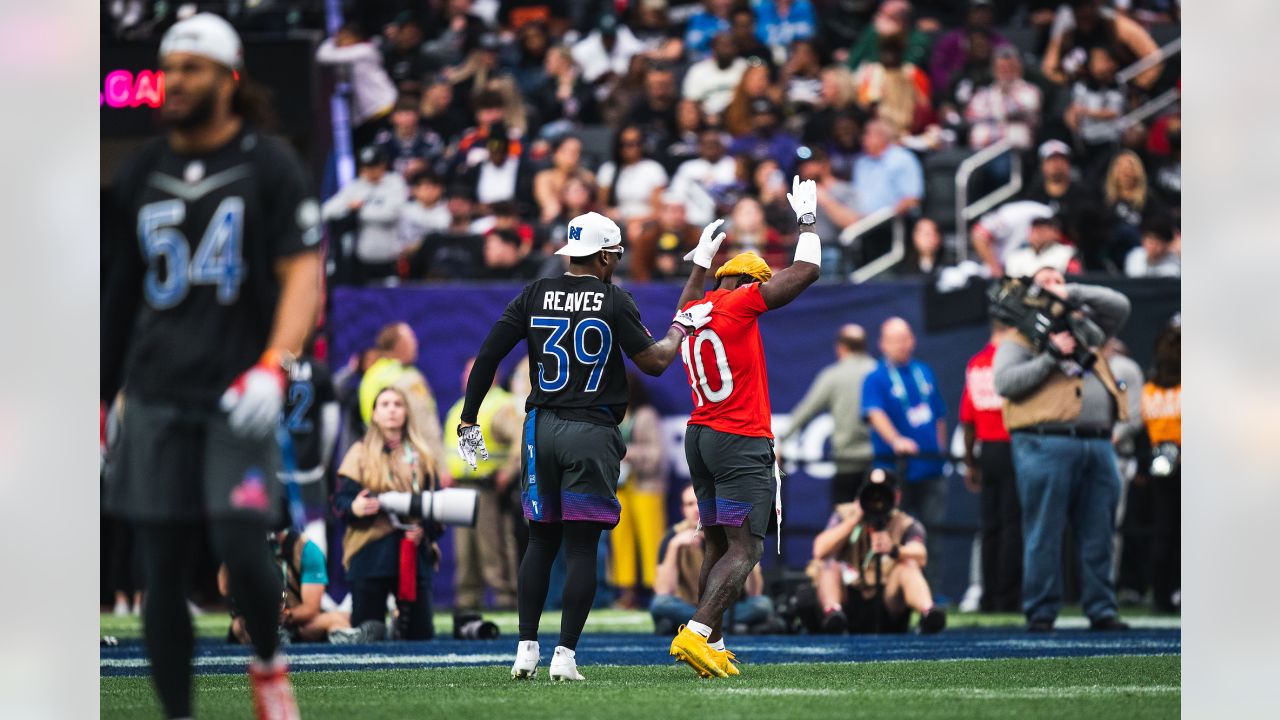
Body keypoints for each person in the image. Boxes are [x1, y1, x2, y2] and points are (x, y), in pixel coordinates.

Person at [101, 14, 321, 719]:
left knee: (240, 537)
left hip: (236, 390)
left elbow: (302, 274)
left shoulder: (268, 165)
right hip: (159, 389)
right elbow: (118, 293)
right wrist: (100, 398)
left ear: (229, 77)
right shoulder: (142, 169)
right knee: (158, 564)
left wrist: (275, 364)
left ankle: (267, 659)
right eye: (169, 67)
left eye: (192, 67)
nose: (175, 81)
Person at [456, 211, 717, 681]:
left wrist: (468, 419)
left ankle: (526, 650)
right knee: (580, 547)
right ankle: (565, 657)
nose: (615, 263)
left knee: (539, 541)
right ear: (601, 255)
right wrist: (682, 325)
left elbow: (489, 355)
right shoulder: (613, 299)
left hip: (540, 428)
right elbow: (656, 363)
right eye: (614, 255)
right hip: (591, 430)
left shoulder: (534, 293)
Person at [669, 177, 821, 679]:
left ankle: (709, 640)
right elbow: (807, 271)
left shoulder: (694, 310)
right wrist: (807, 222)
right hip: (739, 438)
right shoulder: (740, 304)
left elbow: (685, 304)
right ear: (749, 283)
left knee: (715, 542)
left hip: (700, 435)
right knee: (746, 547)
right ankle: (696, 630)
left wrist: (698, 263)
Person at [992, 266, 1133, 632]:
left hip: (1098, 441)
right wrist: (1051, 356)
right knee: (1045, 531)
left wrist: (1072, 292)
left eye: (1059, 280)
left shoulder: (1088, 333)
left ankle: (1102, 608)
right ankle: (1041, 610)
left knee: (1099, 532)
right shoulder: (1019, 339)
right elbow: (1006, 383)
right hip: (1045, 441)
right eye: (1047, 283)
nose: (1055, 287)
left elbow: (1120, 305)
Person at [333, 387, 440, 640]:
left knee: (421, 636)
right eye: (385, 404)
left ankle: (400, 623)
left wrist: (425, 530)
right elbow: (339, 502)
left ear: (406, 413)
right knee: (368, 631)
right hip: (371, 549)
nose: (392, 409)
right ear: (374, 414)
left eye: (398, 404)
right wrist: (354, 507)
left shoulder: (423, 456)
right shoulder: (359, 453)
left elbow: (438, 507)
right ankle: (385, 622)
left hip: (412, 552)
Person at [860, 317, 949, 590]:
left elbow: (939, 415)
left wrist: (941, 451)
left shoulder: (924, 371)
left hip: (931, 469)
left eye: (905, 338)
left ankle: (932, 592)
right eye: (894, 339)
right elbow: (874, 414)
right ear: (882, 344)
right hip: (895, 470)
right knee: (894, 530)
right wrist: (896, 440)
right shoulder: (875, 377)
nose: (901, 344)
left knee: (933, 532)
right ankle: (891, 590)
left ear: (913, 339)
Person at [812, 468, 946, 634]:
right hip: (851, 594)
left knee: (909, 565)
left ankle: (929, 612)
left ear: (896, 497)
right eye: (871, 493)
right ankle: (833, 613)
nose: (876, 500)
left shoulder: (905, 523)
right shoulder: (844, 514)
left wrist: (895, 550)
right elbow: (819, 550)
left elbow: (921, 554)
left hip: (888, 599)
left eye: (882, 494)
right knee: (828, 564)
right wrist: (853, 521)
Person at [444, 359, 521, 610]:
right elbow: (449, 448)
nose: (467, 379)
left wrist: (508, 473)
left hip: (488, 488)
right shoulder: (459, 407)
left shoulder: (500, 405)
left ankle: (505, 596)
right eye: (466, 373)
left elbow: (521, 440)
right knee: (464, 550)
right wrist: (443, 469)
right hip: (459, 486)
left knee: (494, 546)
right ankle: (467, 598)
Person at [650, 486, 774, 634]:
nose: (696, 509)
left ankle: (690, 626)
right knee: (660, 605)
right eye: (690, 504)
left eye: (700, 503)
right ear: (683, 510)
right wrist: (674, 547)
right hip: (690, 605)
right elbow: (663, 592)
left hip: (727, 607)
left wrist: (747, 551)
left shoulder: (732, 533)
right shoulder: (673, 537)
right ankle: (730, 626)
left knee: (761, 605)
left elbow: (755, 592)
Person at [778, 324, 877, 506]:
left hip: (847, 463)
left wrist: (781, 440)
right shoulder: (879, 371)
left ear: (840, 348)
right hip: (880, 462)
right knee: (880, 523)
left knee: (843, 526)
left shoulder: (833, 376)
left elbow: (806, 410)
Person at [959, 322, 1021, 613]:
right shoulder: (1015, 361)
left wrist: (971, 461)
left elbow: (967, 419)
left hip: (986, 448)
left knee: (990, 527)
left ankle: (988, 596)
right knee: (1012, 526)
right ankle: (1008, 598)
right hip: (1013, 446)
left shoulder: (976, 363)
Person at [220, 527, 352, 645]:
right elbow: (225, 589)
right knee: (239, 626)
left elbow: (311, 608)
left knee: (336, 619)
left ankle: (349, 637)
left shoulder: (306, 549)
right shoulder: (246, 547)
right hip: (257, 620)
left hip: (295, 618)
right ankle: (269, 641)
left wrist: (286, 615)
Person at [358, 322, 447, 477]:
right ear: (399, 344)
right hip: (413, 463)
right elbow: (423, 426)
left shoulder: (372, 375)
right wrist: (440, 465)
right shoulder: (406, 378)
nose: (415, 342)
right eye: (410, 338)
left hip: (382, 458)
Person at [611, 379, 669, 610]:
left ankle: (659, 590)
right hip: (620, 487)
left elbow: (657, 454)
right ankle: (626, 592)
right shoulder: (613, 415)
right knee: (620, 541)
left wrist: (629, 453)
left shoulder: (646, 415)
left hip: (646, 485)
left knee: (652, 538)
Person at [321, 145, 410, 284]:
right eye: (366, 167)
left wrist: (359, 211)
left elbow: (390, 214)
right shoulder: (355, 186)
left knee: (391, 299)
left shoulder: (395, 182)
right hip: (362, 260)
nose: (370, 171)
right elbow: (326, 211)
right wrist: (348, 208)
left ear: (383, 165)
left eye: (374, 166)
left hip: (390, 259)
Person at [1140, 320, 1180, 613]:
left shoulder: (1149, 390)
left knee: (1163, 531)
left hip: (1159, 464)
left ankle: (1161, 596)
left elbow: (1143, 429)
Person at [316, 21, 398, 149]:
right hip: (368, 115)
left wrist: (332, 39)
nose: (340, 41)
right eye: (340, 38)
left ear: (355, 37)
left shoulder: (364, 50)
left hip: (383, 107)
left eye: (344, 37)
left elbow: (323, 56)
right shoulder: (350, 56)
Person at [1019, 140, 1103, 266]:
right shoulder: (1032, 194)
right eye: (1051, 160)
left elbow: (1092, 227)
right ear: (1043, 165)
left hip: (1075, 253)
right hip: (1035, 252)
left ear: (1068, 164)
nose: (1056, 164)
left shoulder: (1083, 193)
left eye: (1061, 160)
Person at [928, 0, 1009, 93]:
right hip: (956, 91)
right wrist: (952, 87)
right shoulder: (950, 41)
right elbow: (937, 70)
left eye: (985, 11)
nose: (981, 15)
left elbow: (1010, 71)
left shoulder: (1000, 43)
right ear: (968, 14)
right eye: (977, 11)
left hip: (993, 92)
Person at [970, 199, 1054, 278]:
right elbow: (979, 235)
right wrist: (995, 269)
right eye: (1041, 232)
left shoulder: (1054, 242)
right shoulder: (1013, 215)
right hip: (987, 271)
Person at [682, 33, 749, 117]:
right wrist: (706, 117)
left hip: (738, 117)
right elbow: (691, 100)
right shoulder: (698, 70)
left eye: (729, 45)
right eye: (722, 45)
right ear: (713, 48)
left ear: (736, 48)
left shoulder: (745, 68)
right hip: (706, 118)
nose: (726, 49)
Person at [1004, 216, 1081, 278]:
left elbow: (1073, 279)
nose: (1037, 233)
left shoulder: (1067, 253)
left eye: (1043, 229)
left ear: (1056, 233)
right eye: (1034, 228)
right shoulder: (1014, 256)